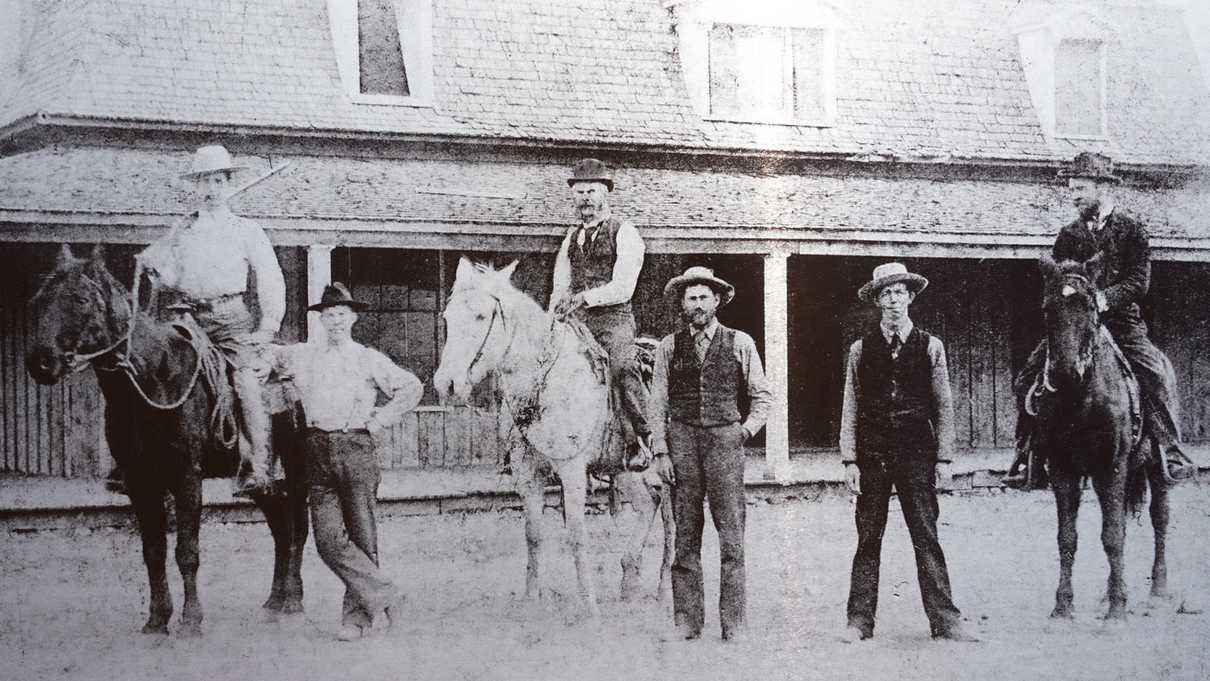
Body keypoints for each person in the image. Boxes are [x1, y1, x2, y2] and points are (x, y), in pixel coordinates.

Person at [1005, 152, 1194, 488]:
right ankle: (1026, 454)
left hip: (1122, 323)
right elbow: (1058, 278)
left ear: (1103, 188)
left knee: (1155, 372)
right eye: (1072, 188)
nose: (1074, 194)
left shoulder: (1132, 230)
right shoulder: (1068, 234)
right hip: (1076, 326)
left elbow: (1139, 281)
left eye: (1080, 187)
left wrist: (1105, 299)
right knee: (1027, 378)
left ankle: (1170, 449)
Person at [274, 282, 423, 641]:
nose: (335, 321)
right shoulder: (303, 355)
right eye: (328, 315)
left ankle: (355, 620)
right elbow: (267, 358)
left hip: (356, 447)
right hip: (315, 450)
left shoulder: (367, 358)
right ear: (320, 320)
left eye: (341, 314)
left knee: (362, 536)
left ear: (353, 318)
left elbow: (412, 388)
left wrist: (378, 420)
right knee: (327, 541)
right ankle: (389, 594)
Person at [839, 262, 978, 643]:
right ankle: (858, 622)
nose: (893, 300)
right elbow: (851, 405)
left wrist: (944, 459)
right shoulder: (860, 349)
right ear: (877, 301)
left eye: (899, 292)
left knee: (926, 535)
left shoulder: (931, 346)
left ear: (910, 297)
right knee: (868, 538)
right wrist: (850, 459)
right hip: (873, 453)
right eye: (885, 294)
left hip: (917, 451)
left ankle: (946, 621)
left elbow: (943, 406)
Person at [137, 144, 284, 495]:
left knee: (246, 383)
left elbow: (270, 277)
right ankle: (143, 459)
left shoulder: (247, 230)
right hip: (186, 318)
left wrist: (268, 327)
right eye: (203, 182)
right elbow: (172, 277)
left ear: (228, 183)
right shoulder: (183, 229)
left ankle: (258, 466)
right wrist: (155, 268)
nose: (210, 189)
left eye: (217, 181)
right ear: (195, 186)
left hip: (231, 319)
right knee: (150, 368)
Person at [649, 266, 771, 642]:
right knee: (685, 534)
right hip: (682, 442)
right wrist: (661, 451)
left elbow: (762, 396)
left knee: (731, 535)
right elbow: (657, 403)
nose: (698, 304)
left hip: (724, 444)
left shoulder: (740, 343)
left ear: (717, 301)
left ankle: (733, 623)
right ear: (682, 304)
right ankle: (687, 620)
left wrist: (744, 431)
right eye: (691, 298)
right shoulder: (669, 346)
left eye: (704, 297)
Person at [549, 158, 652, 463]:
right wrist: (557, 308)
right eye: (579, 192)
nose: (585, 198)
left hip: (613, 320)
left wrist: (584, 298)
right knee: (545, 365)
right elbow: (560, 284)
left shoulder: (625, 232)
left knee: (622, 367)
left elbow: (623, 287)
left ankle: (641, 438)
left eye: (591, 191)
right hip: (577, 322)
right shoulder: (571, 238)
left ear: (605, 193)